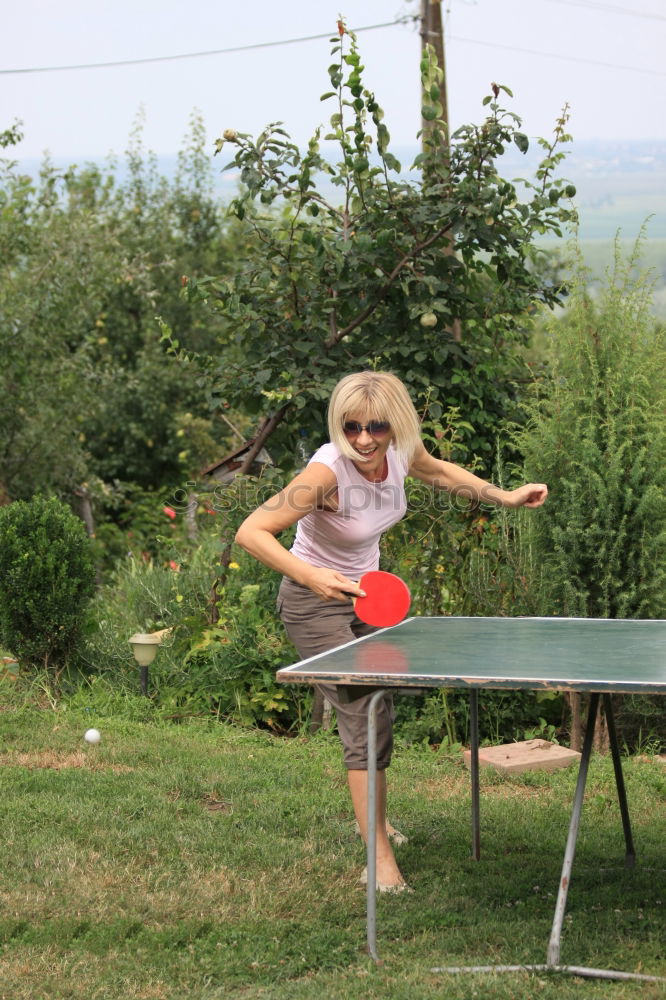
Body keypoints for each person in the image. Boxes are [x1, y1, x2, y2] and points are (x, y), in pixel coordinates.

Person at [235, 371, 547, 892]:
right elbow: (251, 531)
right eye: (351, 426)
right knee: (361, 712)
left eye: (375, 427)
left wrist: (506, 496)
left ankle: (377, 823)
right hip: (314, 601)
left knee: (379, 710)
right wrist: (312, 575)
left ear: (394, 424)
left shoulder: (399, 451)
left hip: (367, 600)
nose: (363, 439)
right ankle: (376, 857)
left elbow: (440, 471)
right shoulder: (326, 471)